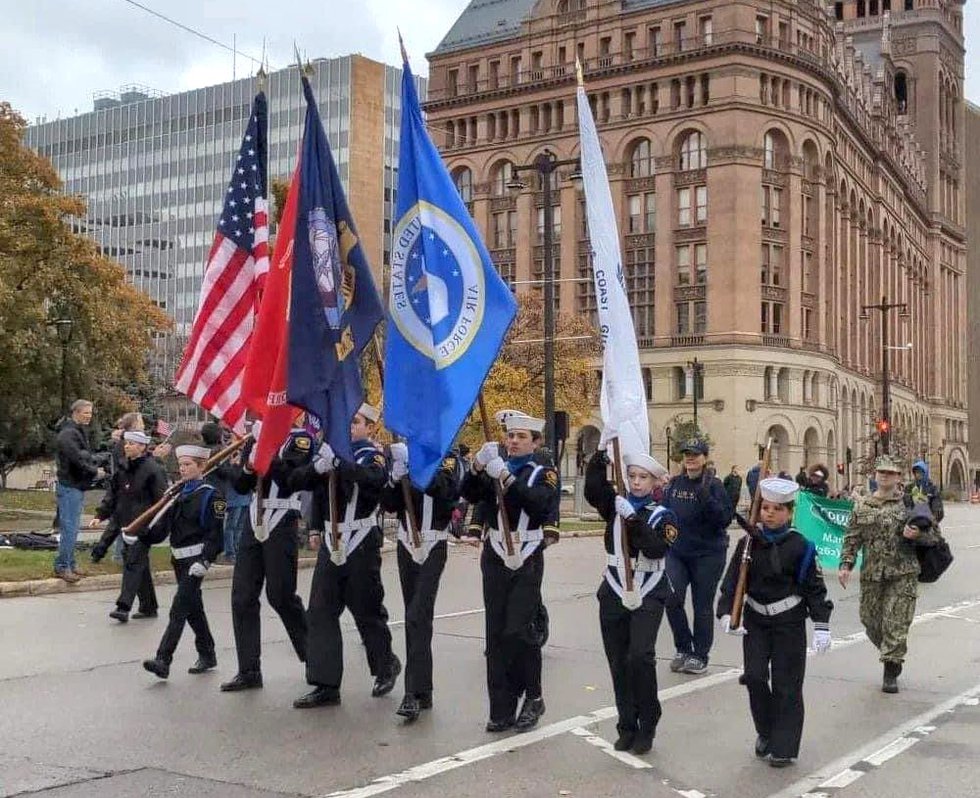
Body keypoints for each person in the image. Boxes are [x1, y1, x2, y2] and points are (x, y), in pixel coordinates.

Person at [290, 404, 401, 709]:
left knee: (366, 610)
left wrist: (340, 463)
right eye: (346, 422)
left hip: (360, 540)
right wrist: (318, 467)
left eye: (355, 422)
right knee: (320, 612)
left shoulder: (371, 454)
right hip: (331, 539)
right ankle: (325, 683)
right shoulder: (327, 453)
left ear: (369, 428)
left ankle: (385, 665)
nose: (350, 427)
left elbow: (373, 480)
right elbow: (297, 482)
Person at [717, 478, 833, 768]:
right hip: (756, 620)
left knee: (787, 685)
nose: (769, 513)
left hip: (789, 622)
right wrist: (726, 613)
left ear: (789, 513)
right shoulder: (747, 543)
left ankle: (784, 746)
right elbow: (732, 582)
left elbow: (814, 588)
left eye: (777, 509)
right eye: (765, 507)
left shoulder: (801, 546)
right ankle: (766, 730)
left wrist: (821, 624)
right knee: (755, 677)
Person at [462, 412, 560, 733]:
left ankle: (533, 696)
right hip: (495, 554)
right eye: (510, 436)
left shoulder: (544, 473)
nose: (513, 441)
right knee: (496, 635)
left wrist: (504, 476)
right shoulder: (493, 467)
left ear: (535, 442)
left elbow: (538, 505)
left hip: (528, 554)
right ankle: (501, 708)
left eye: (521, 436)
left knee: (519, 630)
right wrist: (477, 466)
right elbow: (469, 495)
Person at [585, 447, 677, 755]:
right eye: (632, 476)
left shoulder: (663, 515)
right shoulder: (615, 506)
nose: (636, 482)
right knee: (618, 660)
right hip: (614, 587)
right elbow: (594, 492)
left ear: (655, 483)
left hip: (648, 588)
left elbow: (655, 550)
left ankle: (648, 721)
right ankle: (627, 724)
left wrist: (634, 520)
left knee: (639, 656)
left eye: (643, 478)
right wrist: (599, 460)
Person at [220, 425, 311, 693]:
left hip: (282, 519)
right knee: (242, 596)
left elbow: (290, 479)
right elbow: (241, 484)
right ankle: (248, 669)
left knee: (281, 595)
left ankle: (314, 657)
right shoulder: (257, 437)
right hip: (253, 517)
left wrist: (267, 452)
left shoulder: (300, 439)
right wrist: (249, 465)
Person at [839, 455, 939, 694]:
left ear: (898, 477)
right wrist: (845, 564)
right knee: (871, 622)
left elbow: (933, 536)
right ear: (875, 475)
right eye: (881, 472)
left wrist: (917, 535)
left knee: (895, 624)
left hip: (902, 573)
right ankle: (890, 652)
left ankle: (891, 667)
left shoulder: (911, 504)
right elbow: (852, 538)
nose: (885, 476)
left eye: (890, 473)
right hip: (872, 575)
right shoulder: (862, 505)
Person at [380, 443, 462, 721]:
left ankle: (412, 693)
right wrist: (395, 477)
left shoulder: (447, 458)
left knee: (417, 615)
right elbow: (390, 504)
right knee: (415, 617)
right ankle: (423, 689)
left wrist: (417, 469)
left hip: (433, 544)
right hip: (406, 542)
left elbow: (447, 492)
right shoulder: (404, 458)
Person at [140, 445, 225, 679]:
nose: (183, 469)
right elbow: (164, 528)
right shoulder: (179, 493)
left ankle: (163, 659)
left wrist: (206, 560)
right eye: (181, 465)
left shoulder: (211, 495)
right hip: (178, 558)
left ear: (202, 466)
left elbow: (216, 534)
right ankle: (208, 653)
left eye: (188, 465)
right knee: (193, 609)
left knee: (178, 609)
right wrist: (141, 536)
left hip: (195, 561)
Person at [661, 437, 734, 675]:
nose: (690, 458)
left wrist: (706, 498)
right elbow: (665, 514)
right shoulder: (675, 484)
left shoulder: (714, 485)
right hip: (678, 553)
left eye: (695, 454)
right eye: (686, 454)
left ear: (704, 458)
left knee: (701, 605)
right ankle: (683, 647)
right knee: (671, 597)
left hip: (708, 554)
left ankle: (700, 654)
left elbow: (723, 519)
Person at [88, 430, 168, 622]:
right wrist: (101, 515)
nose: (127, 446)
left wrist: (156, 526)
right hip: (125, 523)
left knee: (132, 563)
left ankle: (123, 607)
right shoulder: (122, 469)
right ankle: (149, 606)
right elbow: (113, 496)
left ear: (142, 447)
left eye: (132, 443)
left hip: (144, 526)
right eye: (126, 443)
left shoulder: (153, 470)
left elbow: (162, 501)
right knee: (139, 566)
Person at [54, 399, 105, 583]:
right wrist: (95, 471)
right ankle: (62, 567)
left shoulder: (76, 431)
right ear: (76, 412)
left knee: (73, 528)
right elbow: (77, 459)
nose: (89, 416)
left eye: (90, 413)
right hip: (69, 486)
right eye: (86, 413)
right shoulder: (68, 434)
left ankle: (70, 563)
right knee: (69, 528)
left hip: (75, 485)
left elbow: (83, 457)